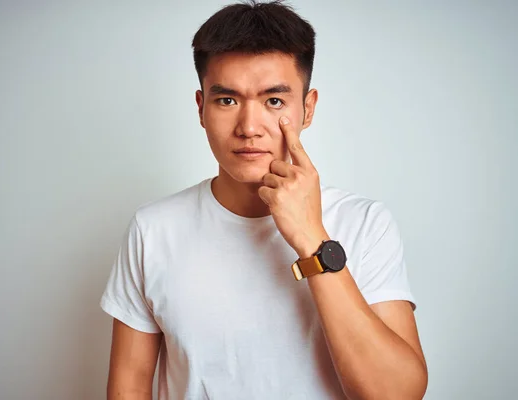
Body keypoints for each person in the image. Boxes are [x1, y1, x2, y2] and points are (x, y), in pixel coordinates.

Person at [100, 1, 428, 399]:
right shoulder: (152, 229)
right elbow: (129, 386)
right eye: (227, 101)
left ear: (307, 109)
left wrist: (313, 240)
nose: (249, 127)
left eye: (274, 101)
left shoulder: (365, 223)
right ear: (201, 108)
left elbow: (397, 393)